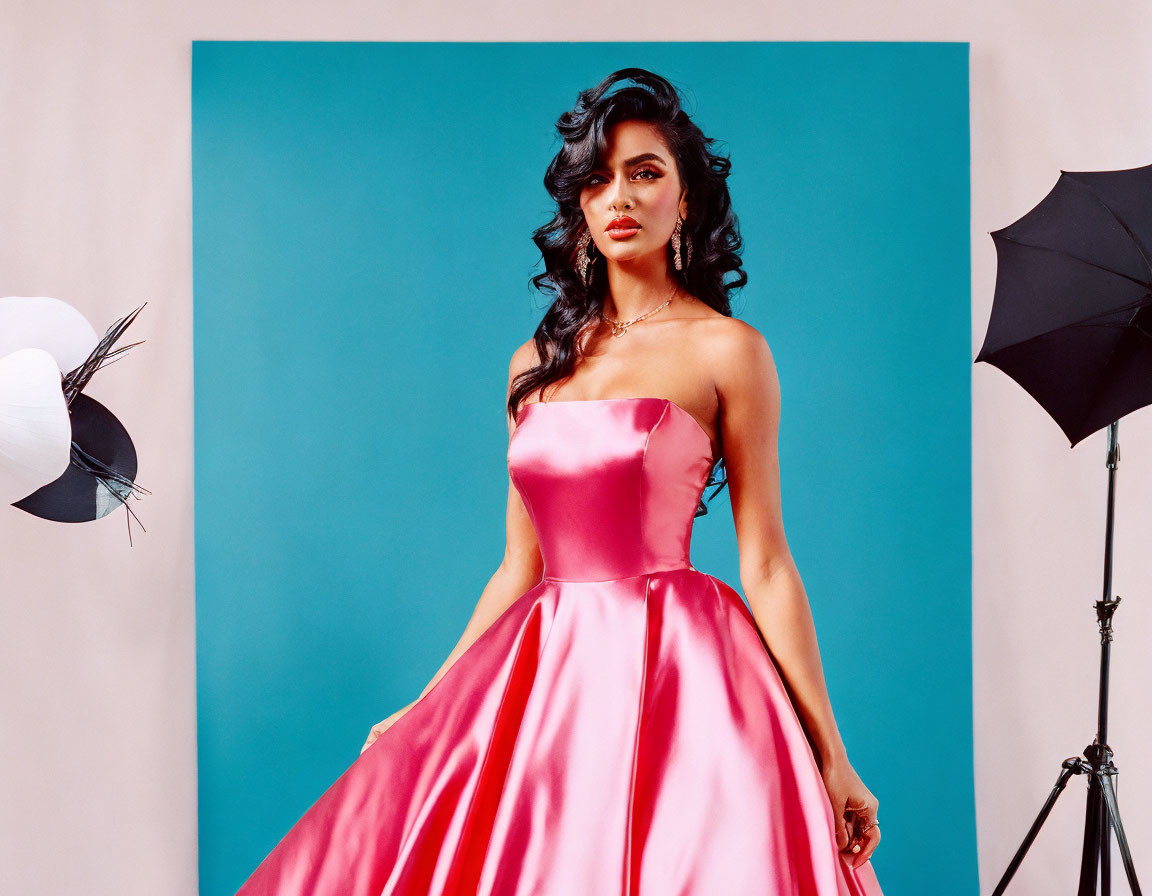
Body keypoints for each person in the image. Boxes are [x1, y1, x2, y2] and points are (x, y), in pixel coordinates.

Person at [235, 67, 884, 895]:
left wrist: (832, 754)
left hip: (681, 670)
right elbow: (519, 566)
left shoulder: (729, 350)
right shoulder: (535, 367)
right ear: (578, 203)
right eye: (598, 178)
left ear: (684, 200)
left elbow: (766, 563)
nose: (620, 195)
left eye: (646, 173)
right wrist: (426, 703)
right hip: (549, 674)